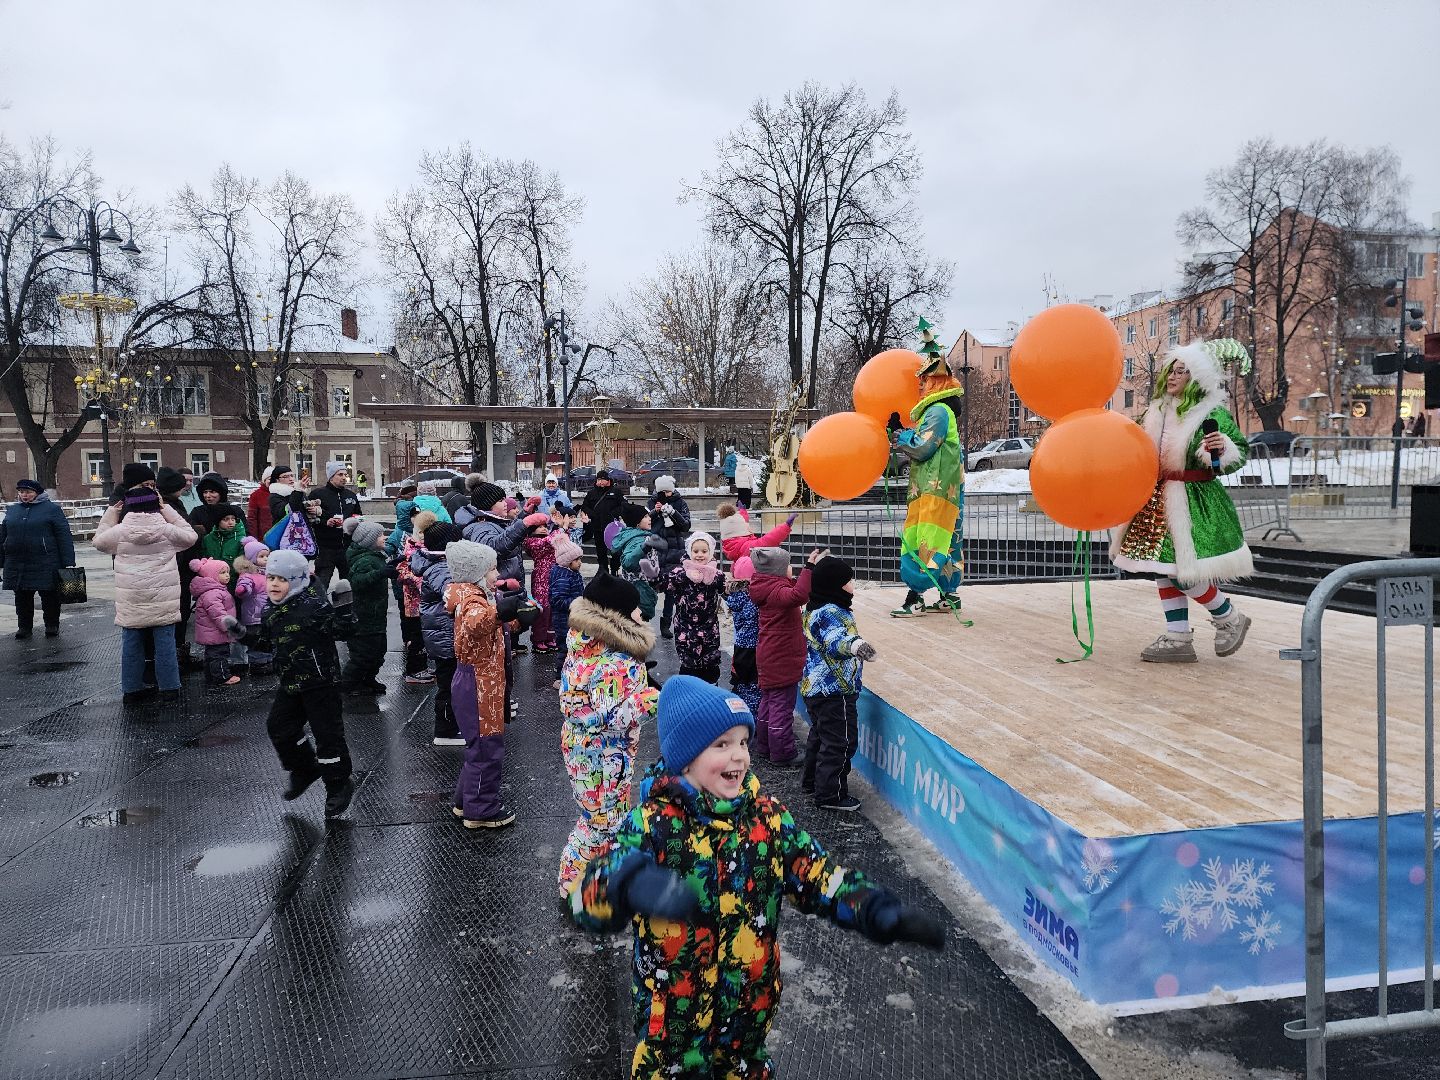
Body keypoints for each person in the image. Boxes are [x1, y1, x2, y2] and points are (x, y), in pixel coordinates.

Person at [568, 675, 945, 1078]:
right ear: (686, 758)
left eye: (744, 742)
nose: (739, 757)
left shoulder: (767, 819)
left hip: (746, 1031)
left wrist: (871, 906)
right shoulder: (650, 825)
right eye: (722, 744)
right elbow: (584, 899)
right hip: (672, 1039)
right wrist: (629, 882)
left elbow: (817, 875)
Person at [1111, 339, 1254, 663]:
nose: (1172, 377)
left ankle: (1228, 616)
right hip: (1158, 500)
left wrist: (1218, 450)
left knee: (1182, 572)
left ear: (1197, 378)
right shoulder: (1156, 411)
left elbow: (1236, 455)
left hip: (1193, 502)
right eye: (1171, 370)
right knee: (1165, 569)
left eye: (1181, 372)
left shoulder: (1211, 413)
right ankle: (1178, 636)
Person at [224, 549, 358, 818]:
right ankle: (304, 768)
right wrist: (243, 635)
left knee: (327, 737)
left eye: (282, 579)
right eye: (271, 577)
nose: (274, 584)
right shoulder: (271, 609)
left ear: (296, 581)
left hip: (321, 683)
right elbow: (266, 641)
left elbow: (344, 631)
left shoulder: (313, 607)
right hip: (291, 682)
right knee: (279, 727)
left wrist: (344, 609)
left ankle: (338, 785)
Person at [557, 575, 659, 898]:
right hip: (602, 756)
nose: (641, 614)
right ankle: (574, 886)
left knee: (600, 820)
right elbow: (614, 716)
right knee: (601, 824)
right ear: (618, 617)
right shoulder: (616, 661)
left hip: (585, 749)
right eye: (636, 610)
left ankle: (597, 882)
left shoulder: (586, 642)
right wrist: (652, 699)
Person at [92, 486, 197, 704]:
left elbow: (99, 541)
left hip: (132, 597)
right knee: (165, 644)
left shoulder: (120, 531)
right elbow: (190, 536)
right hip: (163, 596)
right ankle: (170, 688)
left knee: (132, 644)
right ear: (155, 505)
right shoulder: (166, 530)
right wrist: (167, 509)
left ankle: (131, 689)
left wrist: (111, 513)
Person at [888, 329, 966, 618]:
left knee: (924, 539)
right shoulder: (943, 412)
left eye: (924, 381)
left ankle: (915, 597)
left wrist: (900, 436)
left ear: (936, 382)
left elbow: (922, 448)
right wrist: (903, 432)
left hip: (931, 493)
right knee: (948, 540)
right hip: (947, 491)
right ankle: (950, 595)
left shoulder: (937, 412)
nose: (920, 386)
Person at [445, 540, 517, 829]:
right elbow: (477, 623)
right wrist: (500, 612)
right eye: (492, 569)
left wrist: (514, 617)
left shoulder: (477, 594)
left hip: (482, 681)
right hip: (478, 683)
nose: (496, 573)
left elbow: (489, 626)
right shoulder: (471, 601)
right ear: (476, 572)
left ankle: (465, 801)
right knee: (486, 748)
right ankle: (481, 810)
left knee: (480, 745)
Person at [800, 556, 876, 812]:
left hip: (816, 688)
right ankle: (831, 794)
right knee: (841, 742)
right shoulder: (831, 612)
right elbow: (835, 641)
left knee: (820, 736)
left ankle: (812, 781)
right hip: (835, 690)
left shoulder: (816, 607)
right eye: (848, 580)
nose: (852, 583)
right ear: (836, 585)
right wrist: (856, 646)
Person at [750, 545, 824, 766]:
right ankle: (783, 752)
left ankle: (763, 745)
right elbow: (800, 595)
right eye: (789, 566)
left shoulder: (765, 586)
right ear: (779, 571)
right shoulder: (777, 592)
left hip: (769, 655)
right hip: (781, 658)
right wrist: (809, 567)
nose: (792, 569)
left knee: (768, 702)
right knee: (781, 706)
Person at [1, 480, 76, 640]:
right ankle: (24, 627)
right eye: (21, 492)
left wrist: (68, 560)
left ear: (37, 492)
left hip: (46, 561)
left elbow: (64, 535)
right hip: (17, 562)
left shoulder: (52, 509)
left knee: (50, 596)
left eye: (28, 492)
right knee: (22, 597)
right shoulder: (12, 510)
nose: (24, 495)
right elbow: (3, 535)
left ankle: (51, 625)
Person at [414, 521, 465, 745]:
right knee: (449, 685)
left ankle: (454, 724)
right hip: (445, 637)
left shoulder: (440, 565)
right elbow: (453, 594)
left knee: (453, 683)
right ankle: (445, 731)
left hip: (447, 634)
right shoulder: (441, 569)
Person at [157, 467, 204, 669]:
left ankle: (179, 652)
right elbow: (181, 533)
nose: (186, 486)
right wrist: (196, 530)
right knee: (178, 610)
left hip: (180, 565)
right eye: (181, 484)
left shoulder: (173, 503)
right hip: (177, 566)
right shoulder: (167, 507)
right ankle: (176, 656)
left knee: (181, 610)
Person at [667, 531, 725, 683]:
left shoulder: (716, 575)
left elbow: (725, 590)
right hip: (686, 628)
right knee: (688, 666)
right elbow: (666, 584)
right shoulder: (680, 574)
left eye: (704, 551)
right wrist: (653, 576)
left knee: (710, 665)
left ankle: (711, 690)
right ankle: (688, 694)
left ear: (711, 552)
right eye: (696, 551)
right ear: (689, 552)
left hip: (709, 628)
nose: (700, 555)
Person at [340, 517, 390, 694]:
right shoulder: (364, 561)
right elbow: (358, 582)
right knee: (363, 654)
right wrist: (381, 573)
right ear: (369, 541)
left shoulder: (375, 557)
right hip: (363, 618)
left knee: (378, 652)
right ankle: (349, 684)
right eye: (380, 535)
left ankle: (368, 679)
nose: (385, 538)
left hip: (375, 617)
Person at [394, 508, 439, 685]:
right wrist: (421, 581)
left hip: (424, 602)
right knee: (417, 637)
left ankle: (420, 666)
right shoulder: (411, 549)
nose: (423, 535)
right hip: (415, 602)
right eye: (421, 531)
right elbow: (404, 572)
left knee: (423, 635)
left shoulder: (424, 548)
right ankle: (413, 670)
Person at [646, 475, 691, 639]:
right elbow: (644, 522)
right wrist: (654, 512)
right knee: (651, 588)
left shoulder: (680, 502)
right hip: (656, 549)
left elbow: (686, 525)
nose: (666, 495)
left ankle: (666, 624)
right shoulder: (651, 502)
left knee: (671, 591)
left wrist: (673, 513)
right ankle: (645, 621)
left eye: (668, 492)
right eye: (663, 492)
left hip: (674, 550)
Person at [307, 462, 362, 587]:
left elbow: (358, 515)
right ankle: (322, 606)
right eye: (340, 474)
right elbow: (310, 519)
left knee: (349, 583)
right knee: (321, 583)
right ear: (331, 477)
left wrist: (356, 521)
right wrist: (325, 522)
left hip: (347, 546)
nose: (344, 477)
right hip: (326, 547)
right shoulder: (318, 495)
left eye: (345, 475)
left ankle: (347, 606)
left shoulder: (351, 495)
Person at [608, 503, 665, 622]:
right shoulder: (637, 539)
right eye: (645, 517)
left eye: (649, 516)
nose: (649, 519)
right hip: (639, 592)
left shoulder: (636, 535)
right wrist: (645, 546)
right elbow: (627, 562)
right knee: (638, 630)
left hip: (639, 589)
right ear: (637, 522)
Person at [189, 558, 241, 687]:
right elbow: (218, 614)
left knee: (211, 655)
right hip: (216, 632)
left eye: (228, 572)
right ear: (212, 575)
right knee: (219, 655)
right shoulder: (213, 593)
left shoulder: (215, 590)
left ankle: (211, 675)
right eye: (222, 572)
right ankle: (222, 677)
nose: (227, 575)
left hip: (212, 632)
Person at [723, 555, 761, 716]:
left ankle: (738, 714)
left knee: (742, 683)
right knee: (753, 686)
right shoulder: (752, 599)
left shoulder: (735, 598)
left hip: (740, 648)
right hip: (753, 649)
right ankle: (751, 718)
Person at [548, 536, 585, 688]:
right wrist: (578, 602)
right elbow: (557, 600)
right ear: (567, 561)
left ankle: (571, 675)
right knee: (565, 648)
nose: (580, 563)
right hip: (564, 621)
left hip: (572, 618)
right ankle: (559, 678)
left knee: (573, 648)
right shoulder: (563, 577)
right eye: (577, 560)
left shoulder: (571, 573)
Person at [234, 538, 274, 675]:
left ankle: (268, 661)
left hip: (268, 613)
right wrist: (242, 589)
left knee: (267, 638)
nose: (266, 559)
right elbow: (244, 585)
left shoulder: (268, 572)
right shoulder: (248, 574)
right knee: (256, 640)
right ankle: (258, 664)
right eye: (261, 556)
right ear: (251, 559)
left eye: (267, 556)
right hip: (254, 614)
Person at [523, 513, 559, 654]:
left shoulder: (549, 538)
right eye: (539, 527)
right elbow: (548, 541)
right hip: (541, 577)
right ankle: (538, 639)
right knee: (542, 608)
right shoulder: (531, 542)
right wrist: (560, 528)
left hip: (554, 576)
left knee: (552, 607)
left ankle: (550, 637)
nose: (543, 529)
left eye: (545, 526)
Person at [715, 502, 795, 566]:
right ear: (743, 530)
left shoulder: (731, 543)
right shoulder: (747, 546)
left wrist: (742, 512)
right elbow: (768, 540)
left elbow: (741, 523)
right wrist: (786, 526)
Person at [579, 469, 626, 575]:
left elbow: (623, 505)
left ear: (607, 480)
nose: (600, 482)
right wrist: (592, 514)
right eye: (598, 479)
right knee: (601, 551)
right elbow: (585, 506)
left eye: (602, 479)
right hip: (597, 527)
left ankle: (614, 569)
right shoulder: (591, 493)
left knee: (615, 551)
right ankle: (603, 571)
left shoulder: (616, 492)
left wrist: (613, 513)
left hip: (612, 528)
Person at [199, 503, 247, 573]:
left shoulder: (242, 540)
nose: (230, 522)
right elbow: (204, 560)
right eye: (226, 519)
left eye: (233, 519)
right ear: (218, 522)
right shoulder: (208, 539)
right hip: (212, 579)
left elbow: (243, 567)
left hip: (233, 581)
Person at [247, 466, 277, 539]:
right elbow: (252, 519)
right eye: (270, 479)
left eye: (274, 479)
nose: (272, 481)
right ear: (264, 480)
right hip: (263, 536)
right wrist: (254, 538)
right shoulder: (256, 495)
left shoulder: (282, 494)